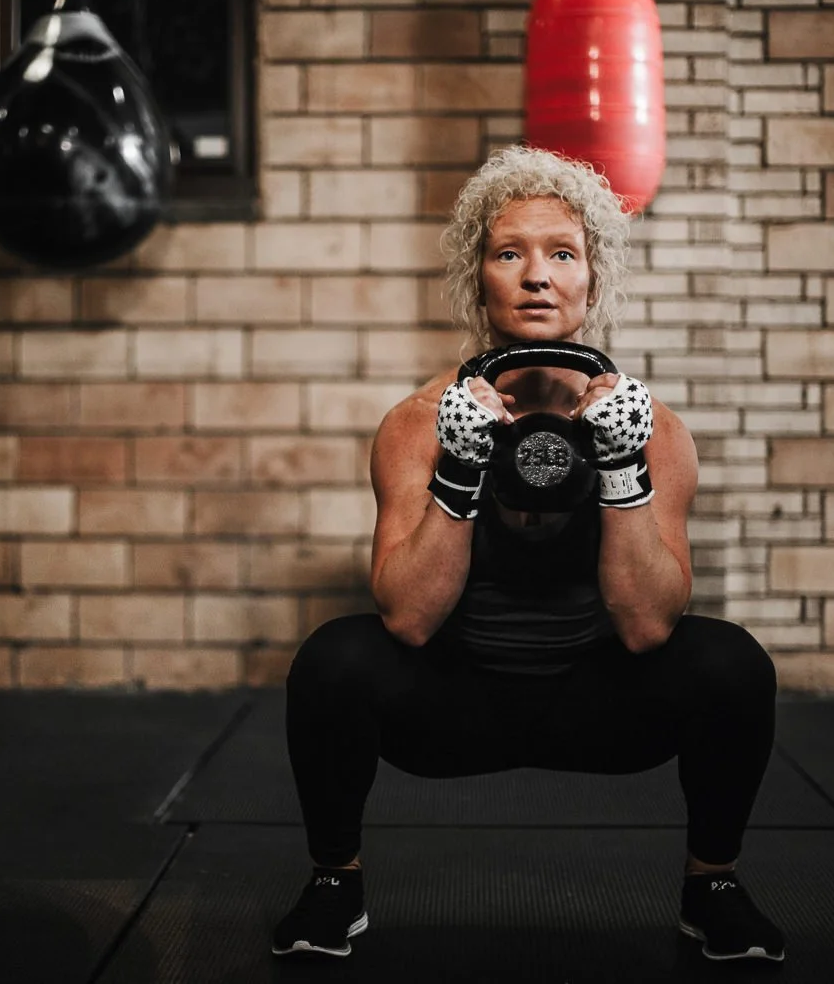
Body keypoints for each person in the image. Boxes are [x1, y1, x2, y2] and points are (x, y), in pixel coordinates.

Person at [269, 146, 785, 964]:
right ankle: (335, 881)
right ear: (479, 280)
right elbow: (407, 617)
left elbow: (650, 625)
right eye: (509, 253)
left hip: (600, 705)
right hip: (455, 703)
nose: (537, 275)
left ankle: (712, 886)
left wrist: (620, 466)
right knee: (334, 660)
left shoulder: (655, 431)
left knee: (732, 664)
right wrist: (461, 465)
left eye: (563, 254)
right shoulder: (418, 423)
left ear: (593, 281)